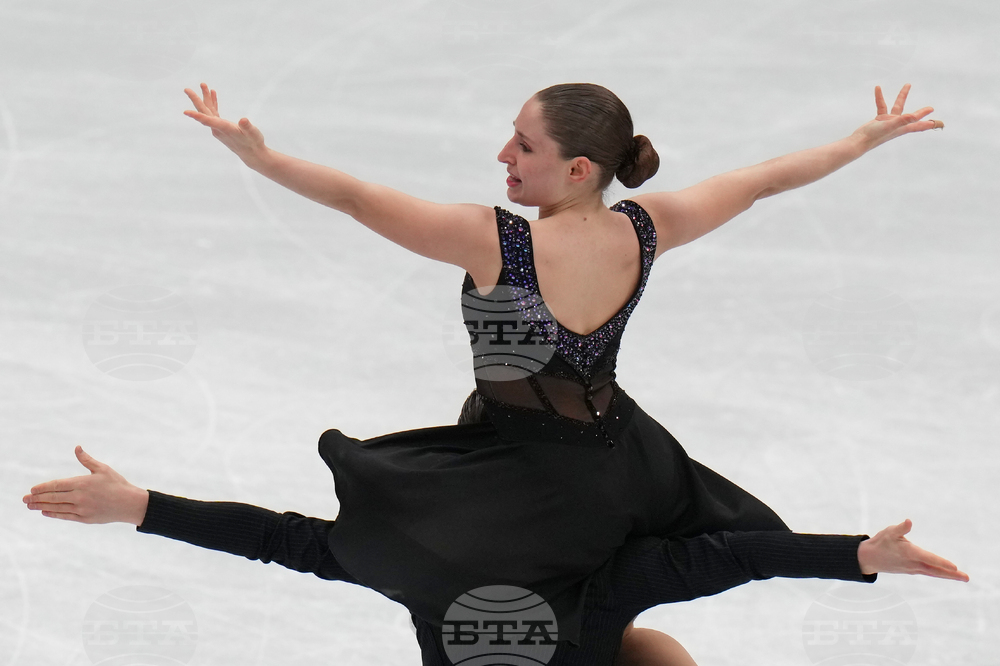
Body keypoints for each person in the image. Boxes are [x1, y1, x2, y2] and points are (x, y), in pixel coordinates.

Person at [45, 80, 951, 652]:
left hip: (521, 474)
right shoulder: (648, 225)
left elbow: (362, 200)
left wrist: (264, 158)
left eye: (523, 145)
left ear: (577, 167)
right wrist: (858, 144)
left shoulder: (496, 244)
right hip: (617, 459)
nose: (504, 156)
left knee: (396, 549)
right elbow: (762, 179)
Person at [22, 444, 967, 666]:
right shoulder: (421, 566)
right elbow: (279, 539)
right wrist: (136, 505)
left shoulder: (595, 591)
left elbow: (733, 554)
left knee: (662, 659)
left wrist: (857, 555)